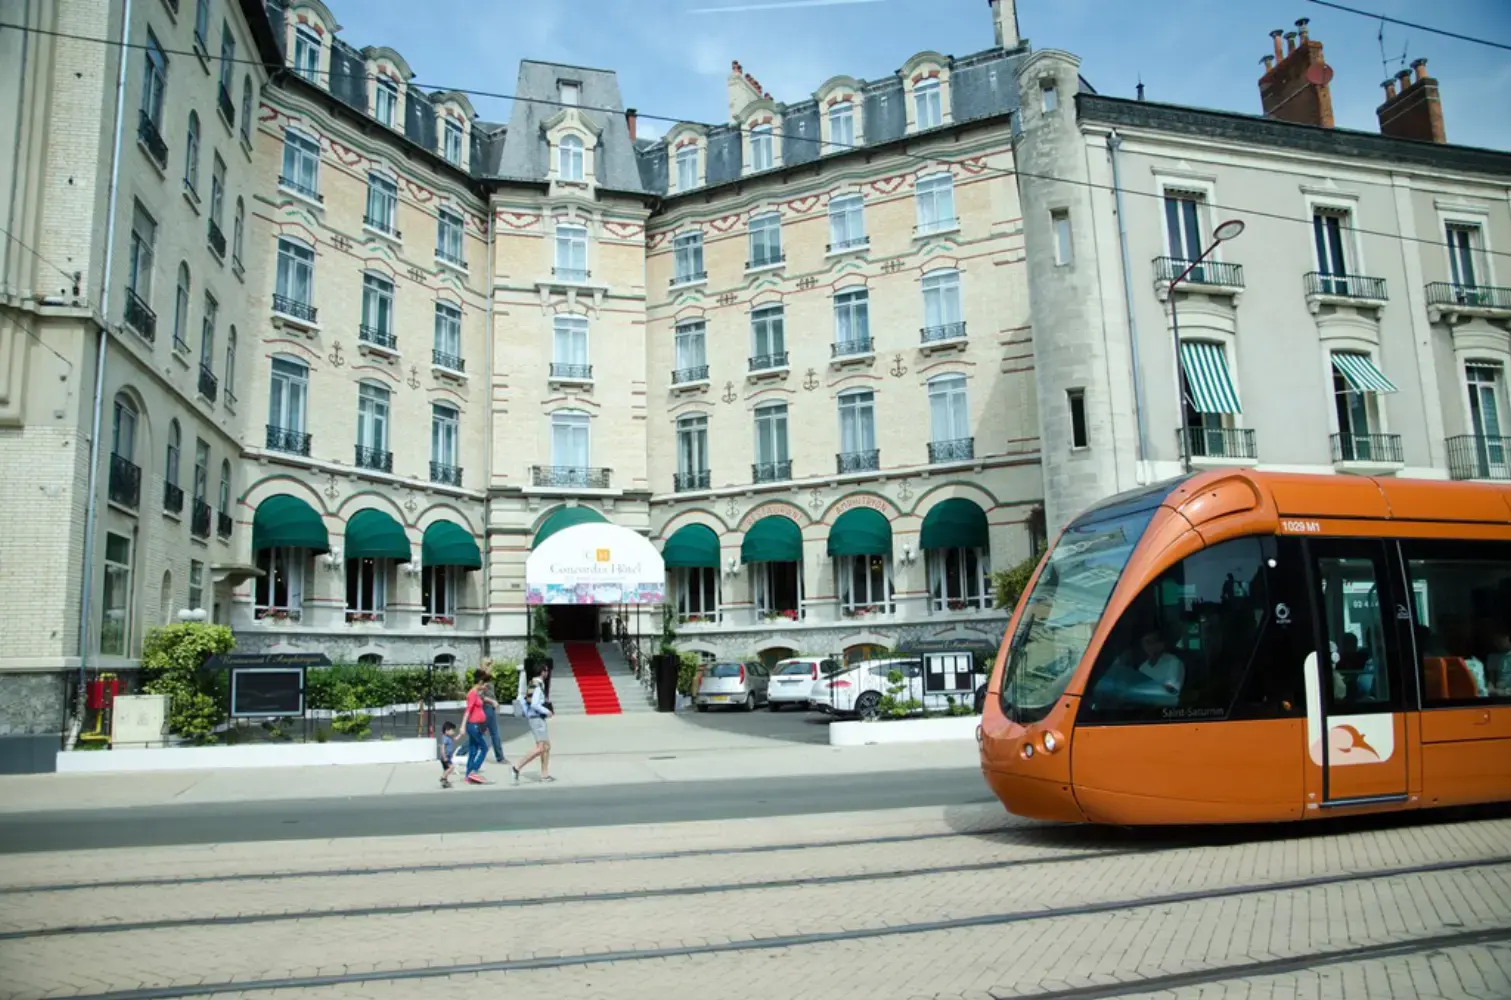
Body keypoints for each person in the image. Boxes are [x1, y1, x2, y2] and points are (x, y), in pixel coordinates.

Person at [512, 665, 555, 783]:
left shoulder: (533, 683)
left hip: (536, 718)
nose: (547, 673)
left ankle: (545, 774)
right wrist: (547, 711)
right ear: (542, 672)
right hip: (537, 719)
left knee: (546, 746)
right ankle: (517, 767)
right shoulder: (537, 685)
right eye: (546, 670)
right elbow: (534, 704)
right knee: (541, 747)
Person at [462, 668, 497, 785]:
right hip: (473, 725)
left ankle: (468, 776)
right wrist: (462, 726)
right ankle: (474, 770)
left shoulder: (476, 693)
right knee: (484, 748)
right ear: (481, 682)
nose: (486, 686)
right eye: (485, 683)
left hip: (477, 725)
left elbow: (477, 709)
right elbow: (468, 711)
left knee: (473, 750)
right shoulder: (472, 694)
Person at [479, 660, 511, 772]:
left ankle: (461, 752)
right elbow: (480, 696)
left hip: (489, 708)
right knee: (494, 733)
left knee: (480, 732)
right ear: (486, 667)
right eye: (490, 666)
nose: (492, 668)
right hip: (487, 708)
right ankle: (500, 757)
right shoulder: (483, 681)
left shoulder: (486, 679)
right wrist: (493, 702)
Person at [437, 721, 457, 789]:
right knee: (451, 768)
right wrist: (444, 757)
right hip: (445, 757)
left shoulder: (450, 737)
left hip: (448, 757)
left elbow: (455, 739)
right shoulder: (445, 738)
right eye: (452, 730)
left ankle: (445, 782)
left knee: (446, 769)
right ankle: (443, 778)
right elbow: (442, 748)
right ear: (447, 731)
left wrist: (461, 734)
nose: (453, 732)